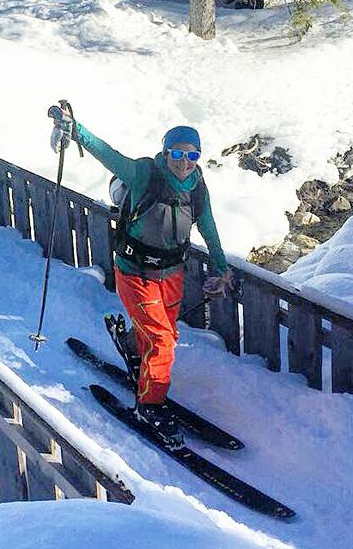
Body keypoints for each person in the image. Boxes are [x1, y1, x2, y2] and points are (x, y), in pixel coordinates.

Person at [49, 106, 233, 448]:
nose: (184, 161)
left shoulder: (197, 186)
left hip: (172, 273)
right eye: (177, 153)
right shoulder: (143, 174)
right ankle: (149, 406)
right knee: (162, 341)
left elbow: (207, 226)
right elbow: (107, 154)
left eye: (192, 154)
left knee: (164, 332)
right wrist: (76, 129)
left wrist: (222, 267)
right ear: (166, 153)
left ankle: (134, 348)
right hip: (135, 272)